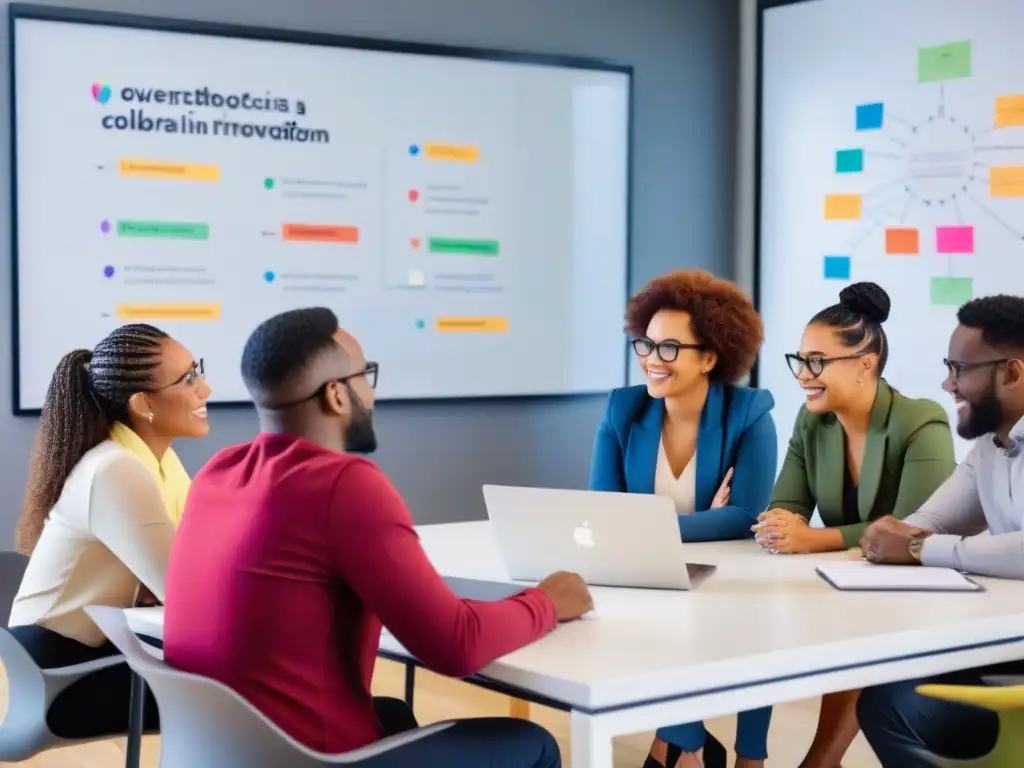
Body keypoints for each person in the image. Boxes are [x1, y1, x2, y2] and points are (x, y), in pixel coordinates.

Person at [163, 307, 592, 767]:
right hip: (304, 759)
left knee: (395, 716)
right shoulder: (344, 483)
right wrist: (546, 602)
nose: (371, 390)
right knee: (533, 744)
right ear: (336, 396)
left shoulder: (217, 471)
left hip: (222, 753)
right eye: (365, 376)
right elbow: (455, 646)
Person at [753, 281, 956, 768]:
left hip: (919, 587)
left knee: (857, 621)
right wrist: (786, 526)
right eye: (799, 360)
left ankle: (819, 762)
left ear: (865, 364)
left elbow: (912, 529)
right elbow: (786, 504)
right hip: (847, 580)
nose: (803, 374)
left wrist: (811, 538)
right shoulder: (813, 421)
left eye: (817, 361)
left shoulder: (920, 421)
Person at [589, 269, 776, 768]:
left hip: (734, 578)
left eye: (669, 348)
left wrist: (648, 524)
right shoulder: (621, 410)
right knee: (653, 618)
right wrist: (701, 522)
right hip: (653, 577)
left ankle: (744, 757)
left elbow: (746, 518)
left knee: (751, 620)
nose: (652, 360)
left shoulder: (750, 413)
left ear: (711, 357)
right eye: (645, 345)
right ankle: (685, 743)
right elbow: (605, 514)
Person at [7, 324, 209, 739]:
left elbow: (199, 557)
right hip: (59, 671)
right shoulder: (116, 469)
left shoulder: (161, 463)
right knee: (238, 698)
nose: (204, 388)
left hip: (103, 647)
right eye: (188, 378)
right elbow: (190, 594)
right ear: (143, 404)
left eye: (198, 370)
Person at [857, 294, 1024, 767]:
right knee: (890, 686)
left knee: (893, 704)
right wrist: (892, 534)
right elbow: (928, 523)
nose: (947, 383)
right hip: (1010, 640)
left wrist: (915, 546)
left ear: (1012, 372)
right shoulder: (994, 444)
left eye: (960, 369)